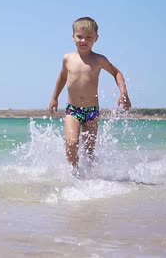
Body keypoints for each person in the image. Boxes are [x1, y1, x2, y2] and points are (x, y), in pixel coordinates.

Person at [49, 16, 131, 172]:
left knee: (89, 150)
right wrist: (54, 98)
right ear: (73, 36)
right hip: (72, 110)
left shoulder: (99, 60)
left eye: (88, 37)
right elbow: (62, 77)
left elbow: (117, 73)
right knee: (72, 143)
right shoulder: (67, 58)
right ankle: (73, 174)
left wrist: (123, 92)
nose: (83, 40)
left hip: (92, 111)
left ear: (96, 39)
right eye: (79, 36)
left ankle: (90, 177)